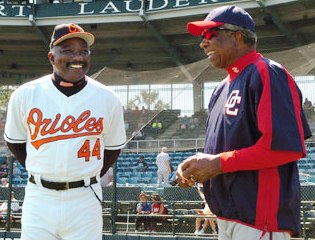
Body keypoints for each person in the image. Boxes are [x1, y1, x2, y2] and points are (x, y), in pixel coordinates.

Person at [175, 5, 312, 240]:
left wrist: (217, 164)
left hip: (259, 221)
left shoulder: (267, 73)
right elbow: (221, 153)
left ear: (237, 36)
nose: (203, 43)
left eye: (210, 34)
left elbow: (284, 148)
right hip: (226, 216)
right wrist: (197, 169)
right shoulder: (221, 88)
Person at [4, 23, 127, 240]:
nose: (77, 57)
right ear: (52, 57)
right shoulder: (25, 95)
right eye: (68, 50)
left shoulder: (108, 98)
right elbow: (15, 143)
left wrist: (86, 176)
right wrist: (43, 170)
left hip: (85, 197)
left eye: (83, 51)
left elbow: (113, 148)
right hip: (39, 196)